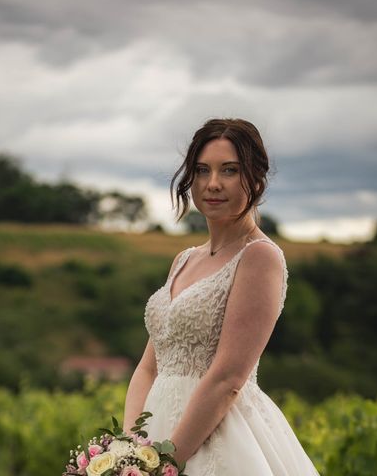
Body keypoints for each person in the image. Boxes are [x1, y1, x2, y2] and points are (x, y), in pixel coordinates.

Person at [122, 118, 320, 475]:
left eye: (229, 170)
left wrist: (165, 464)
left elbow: (228, 379)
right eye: (201, 170)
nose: (212, 184)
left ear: (256, 178)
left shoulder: (259, 257)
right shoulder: (184, 259)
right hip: (153, 436)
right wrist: (129, 449)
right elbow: (149, 366)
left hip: (215, 438)